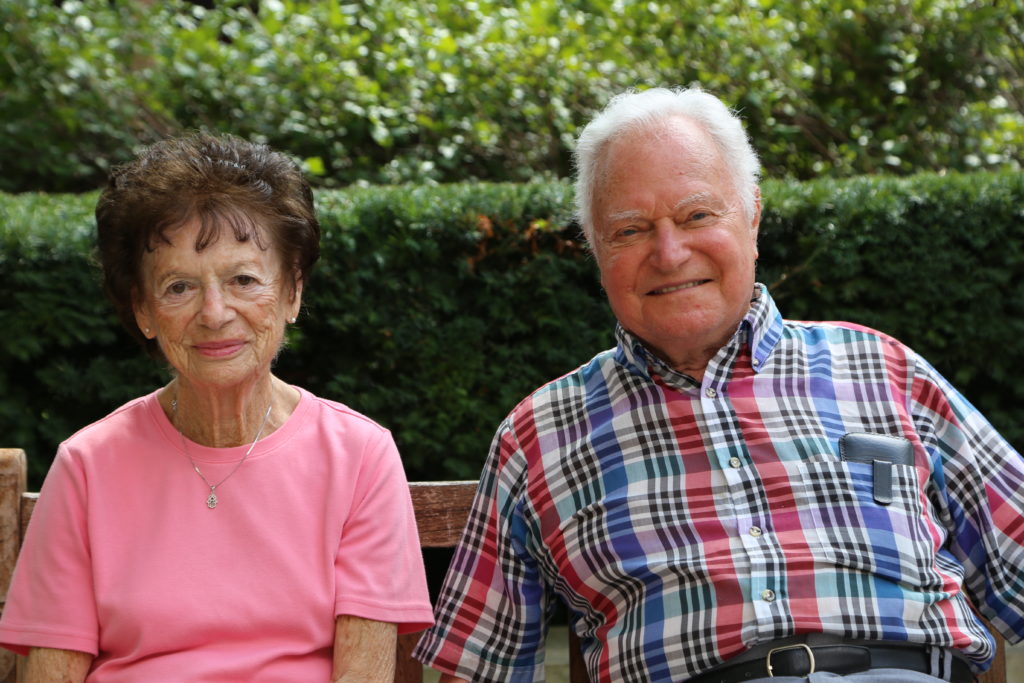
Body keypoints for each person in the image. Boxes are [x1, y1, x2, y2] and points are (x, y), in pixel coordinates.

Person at [413, 87, 1024, 682]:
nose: (670, 252)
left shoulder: (883, 369)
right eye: (630, 230)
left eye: (697, 215)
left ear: (752, 215)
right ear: (595, 248)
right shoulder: (538, 435)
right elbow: (480, 664)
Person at [0, 134, 433, 681]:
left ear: (292, 293)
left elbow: (363, 675)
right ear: (144, 310)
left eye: (244, 280)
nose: (214, 312)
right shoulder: (87, 465)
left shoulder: (359, 456)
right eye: (179, 286)